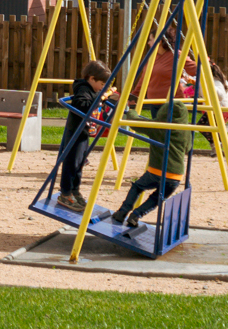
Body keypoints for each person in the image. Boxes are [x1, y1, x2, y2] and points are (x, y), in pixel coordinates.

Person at [110, 97, 207, 228]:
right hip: (175, 176)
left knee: (137, 187)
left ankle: (122, 212)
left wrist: (132, 111)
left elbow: (135, 123)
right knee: (157, 198)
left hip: (156, 171)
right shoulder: (186, 131)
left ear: (163, 112)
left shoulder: (158, 126)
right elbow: (188, 148)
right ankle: (136, 215)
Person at [55, 60, 111, 213]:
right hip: (76, 132)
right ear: (91, 79)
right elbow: (81, 105)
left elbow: (96, 101)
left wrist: (103, 98)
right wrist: (98, 100)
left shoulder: (93, 90)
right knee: (71, 163)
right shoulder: (83, 89)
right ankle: (65, 193)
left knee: (79, 164)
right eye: (101, 84)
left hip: (84, 132)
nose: (102, 87)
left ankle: (75, 190)